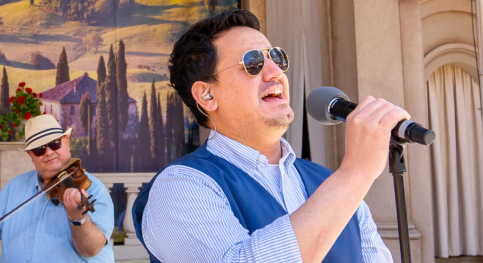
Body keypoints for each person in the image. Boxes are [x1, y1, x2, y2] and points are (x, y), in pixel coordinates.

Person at [133, 9, 409, 263]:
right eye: (252, 62)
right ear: (207, 94)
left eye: (276, 58)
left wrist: (351, 178)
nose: (276, 72)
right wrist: (356, 172)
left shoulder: (329, 183)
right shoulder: (181, 185)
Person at [0, 115, 116, 262]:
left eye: (55, 143)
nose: (48, 152)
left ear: (66, 141)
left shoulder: (93, 189)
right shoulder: (16, 186)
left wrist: (78, 219)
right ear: (30, 155)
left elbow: (91, 249)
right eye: (39, 149)